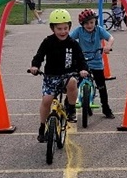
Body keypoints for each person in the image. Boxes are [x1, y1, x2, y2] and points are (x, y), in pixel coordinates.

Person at [29, 9, 89, 143]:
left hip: (68, 74)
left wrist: (83, 69)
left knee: (73, 82)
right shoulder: (48, 42)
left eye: (66, 28)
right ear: (52, 28)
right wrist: (35, 66)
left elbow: (81, 60)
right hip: (51, 76)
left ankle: (71, 108)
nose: (63, 32)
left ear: (69, 27)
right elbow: (39, 56)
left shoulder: (73, 43)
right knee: (46, 101)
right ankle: (42, 126)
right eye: (59, 28)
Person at [70, 9, 115, 119]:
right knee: (74, 83)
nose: (89, 25)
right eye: (86, 23)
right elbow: (69, 38)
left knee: (101, 87)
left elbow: (110, 37)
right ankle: (70, 108)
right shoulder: (79, 31)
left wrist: (108, 45)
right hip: (82, 62)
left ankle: (106, 108)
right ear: (82, 24)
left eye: (91, 22)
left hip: (96, 61)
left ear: (95, 21)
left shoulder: (99, 30)